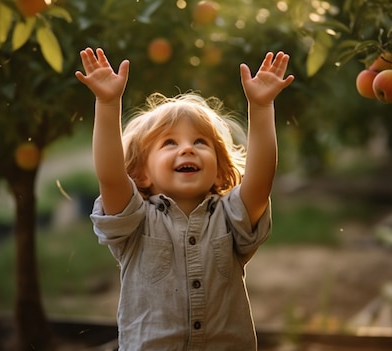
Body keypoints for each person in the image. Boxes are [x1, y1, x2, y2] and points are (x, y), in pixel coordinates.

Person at [75, 47, 294, 350]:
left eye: (200, 142)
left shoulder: (231, 217)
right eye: (169, 143)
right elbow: (111, 176)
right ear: (141, 173)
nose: (187, 149)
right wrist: (107, 102)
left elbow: (260, 181)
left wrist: (261, 107)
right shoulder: (134, 221)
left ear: (220, 172)